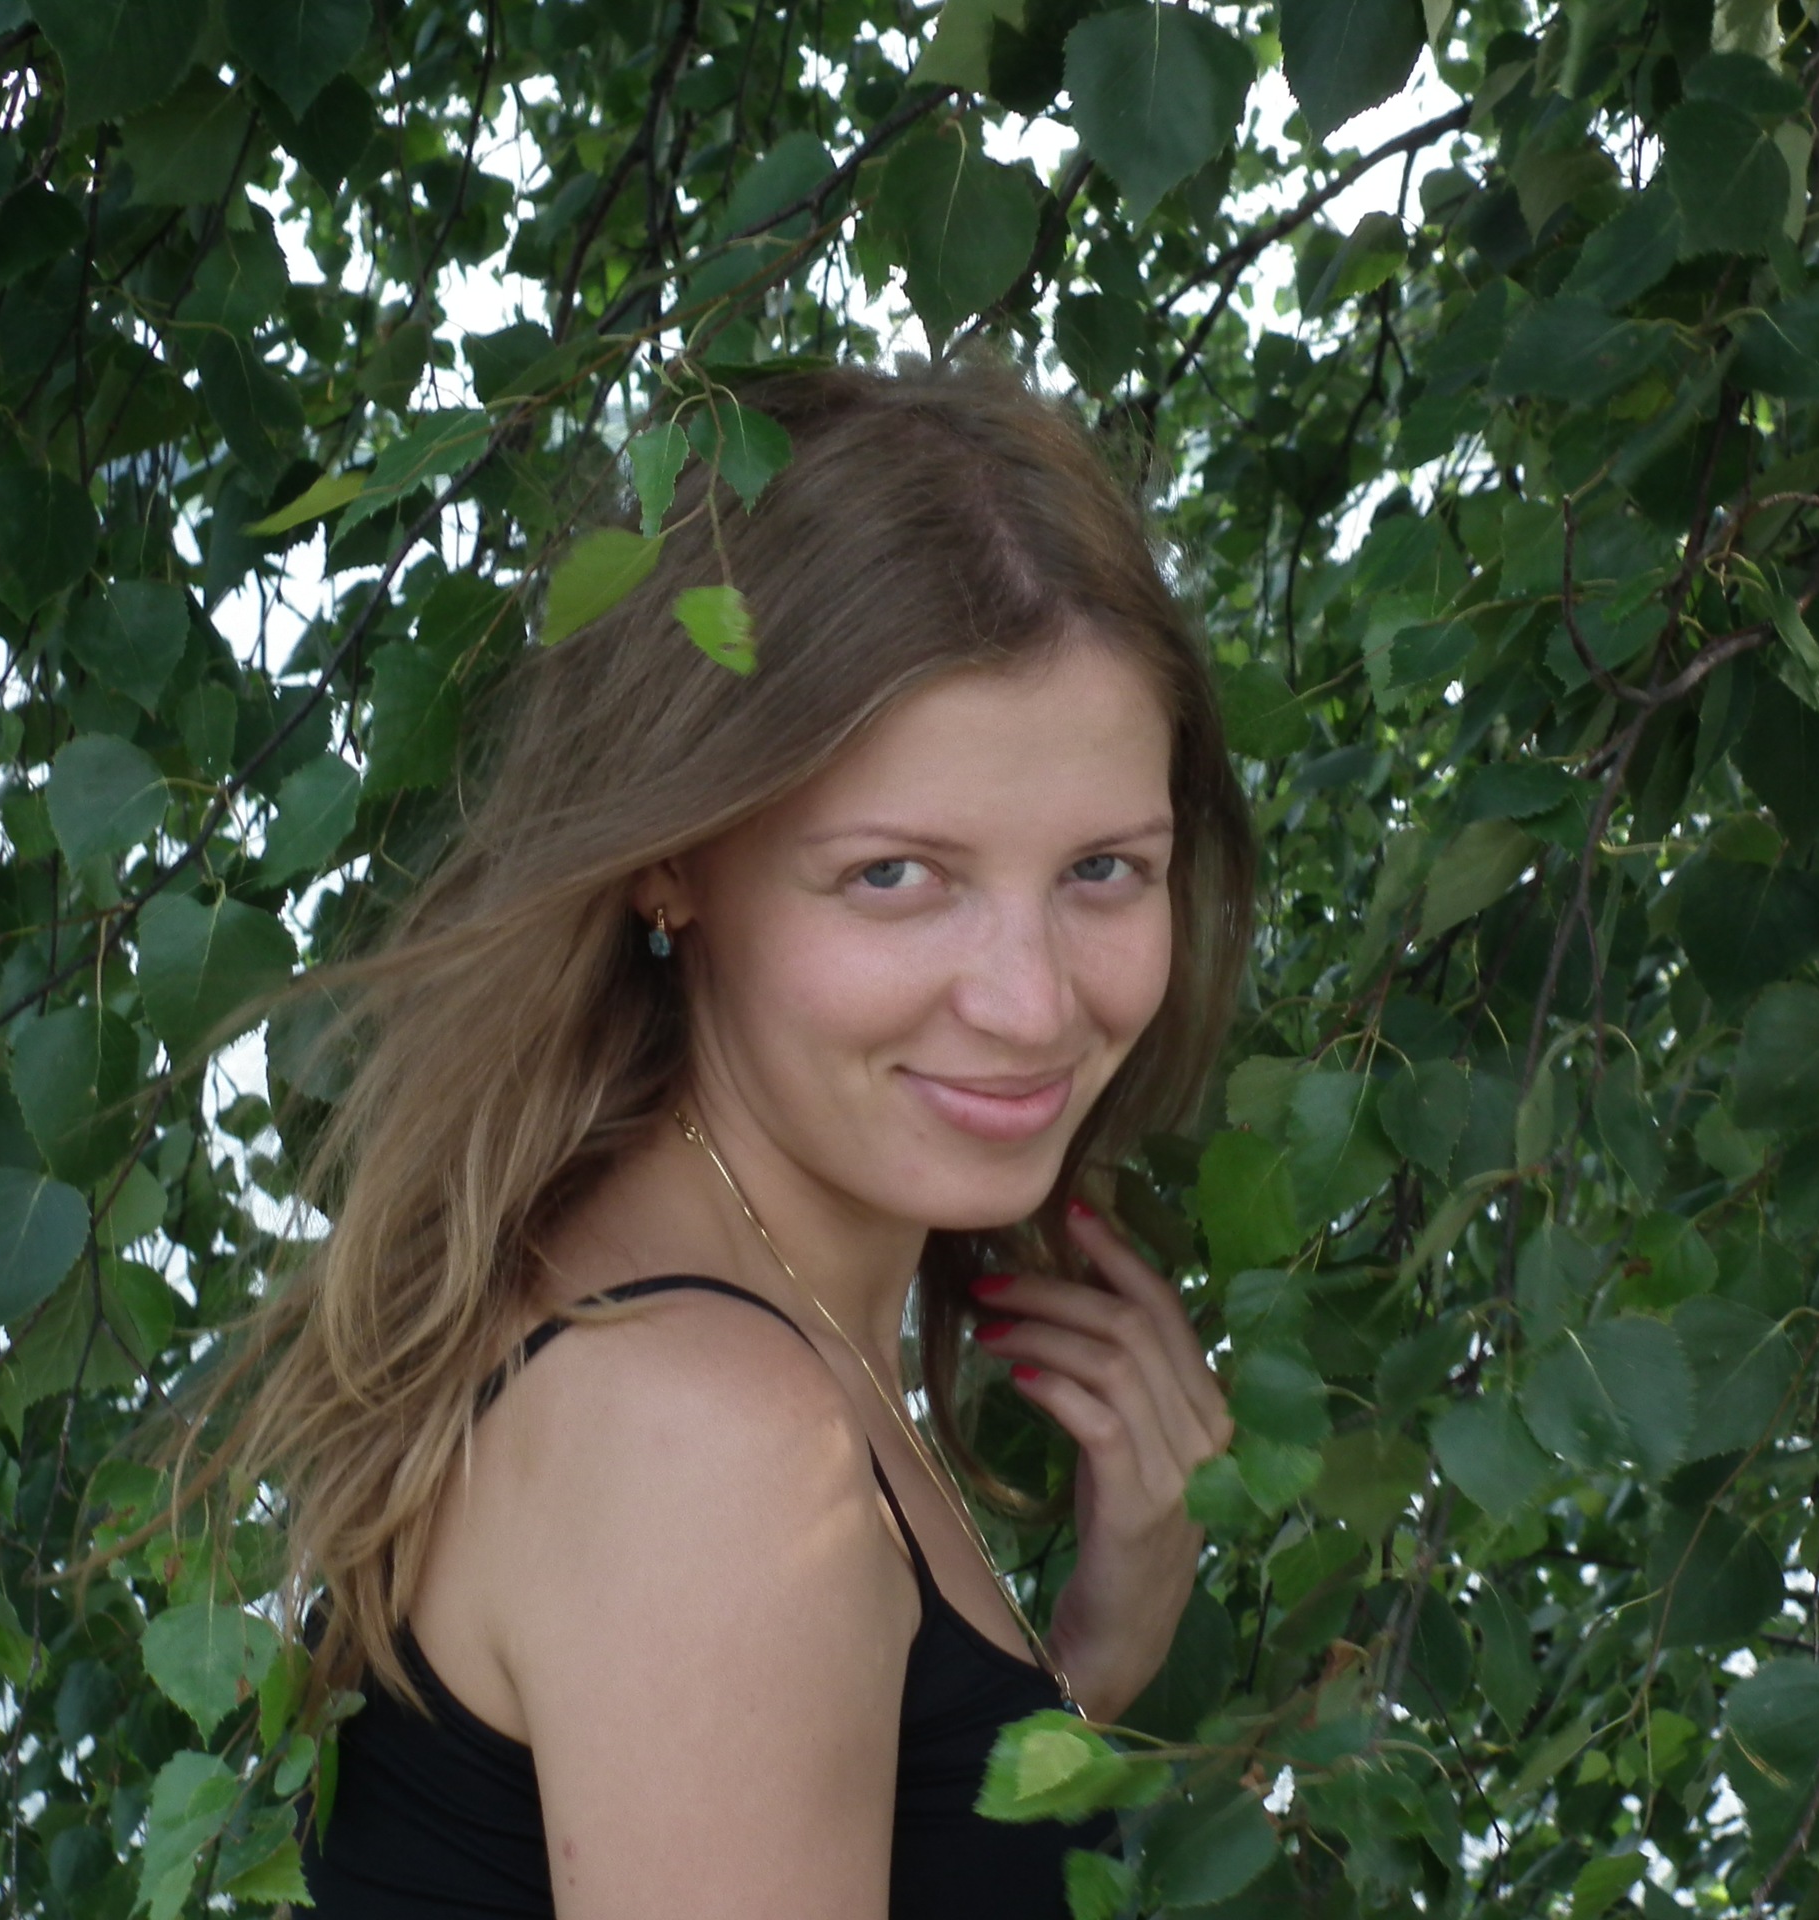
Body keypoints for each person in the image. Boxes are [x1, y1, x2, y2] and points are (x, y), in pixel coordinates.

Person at [216, 360, 1257, 1917]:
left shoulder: (688, 1320)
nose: (1034, 1003)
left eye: (1103, 869)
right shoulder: (716, 1443)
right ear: (673, 864)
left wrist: (1085, 1671)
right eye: (896, 876)